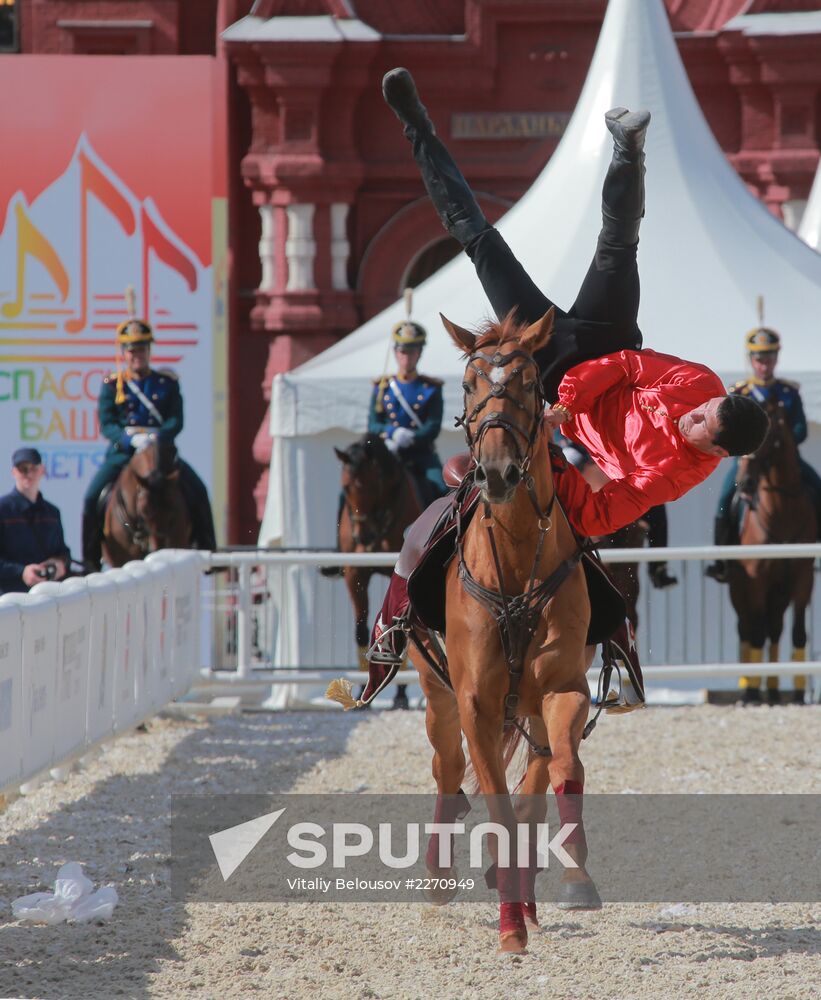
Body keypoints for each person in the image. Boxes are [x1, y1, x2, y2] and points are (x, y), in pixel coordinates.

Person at [361, 69, 769, 709]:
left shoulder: (676, 474)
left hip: (544, 384)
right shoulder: (705, 384)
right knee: (619, 244)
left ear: (713, 454)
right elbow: (633, 368)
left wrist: (545, 453)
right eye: (704, 410)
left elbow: (597, 512)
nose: (693, 417)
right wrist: (567, 407)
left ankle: (416, 124)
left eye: (700, 428)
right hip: (602, 349)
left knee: (479, 245)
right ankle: (627, 148)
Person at [81, 317, 217, 572]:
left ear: (149, 351)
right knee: (92, 497)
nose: (137, 356)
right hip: (125, 454)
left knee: (197, 490)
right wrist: (129, 438)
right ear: (124, 353)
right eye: (132, 351)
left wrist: (158, 437)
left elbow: (176, 420)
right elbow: (107, 422)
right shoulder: (113, 385)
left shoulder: (167, 383)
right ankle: (90, 560)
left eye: (142, 349)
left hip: (160, 453)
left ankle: (206, 549)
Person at [705, 325, 821, 582]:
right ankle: (722, 560)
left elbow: (801, 430)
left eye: (769, 357)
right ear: (751, 360)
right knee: (726, 498)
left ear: (776, 359)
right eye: (759, 358)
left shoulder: (789, 392)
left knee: (817, 486)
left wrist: (783, 438)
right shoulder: (741, 392)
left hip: (786, 461)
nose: (764, 364)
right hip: (748, 461)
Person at [555, 431, 677, 588]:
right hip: (579, 445)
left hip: (611, 445)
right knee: (562, 466)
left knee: (655, 497)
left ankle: (658, 567)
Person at [368, 317, 446, 507]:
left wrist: (411, 437)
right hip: (389, 451)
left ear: (419, 353)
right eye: (402, 352)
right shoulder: (382, 388)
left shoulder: (430, 389)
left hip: (421, 455)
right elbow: (373, 424)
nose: (406, 357)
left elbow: (433, 426)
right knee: (353, 487)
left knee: (442, 490)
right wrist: (392, 432)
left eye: (411, 352)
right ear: (395, 352)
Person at [0, 447, 71, 594]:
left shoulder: (52, 512)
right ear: (14, 472)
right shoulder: (3, 510)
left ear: (42, 471)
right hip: (11, 600)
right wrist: (22, 572)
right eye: (22, 469)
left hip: (49, 597)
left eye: (33, 468)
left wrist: (58, 564)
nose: (28, 474)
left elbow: (63, 552)